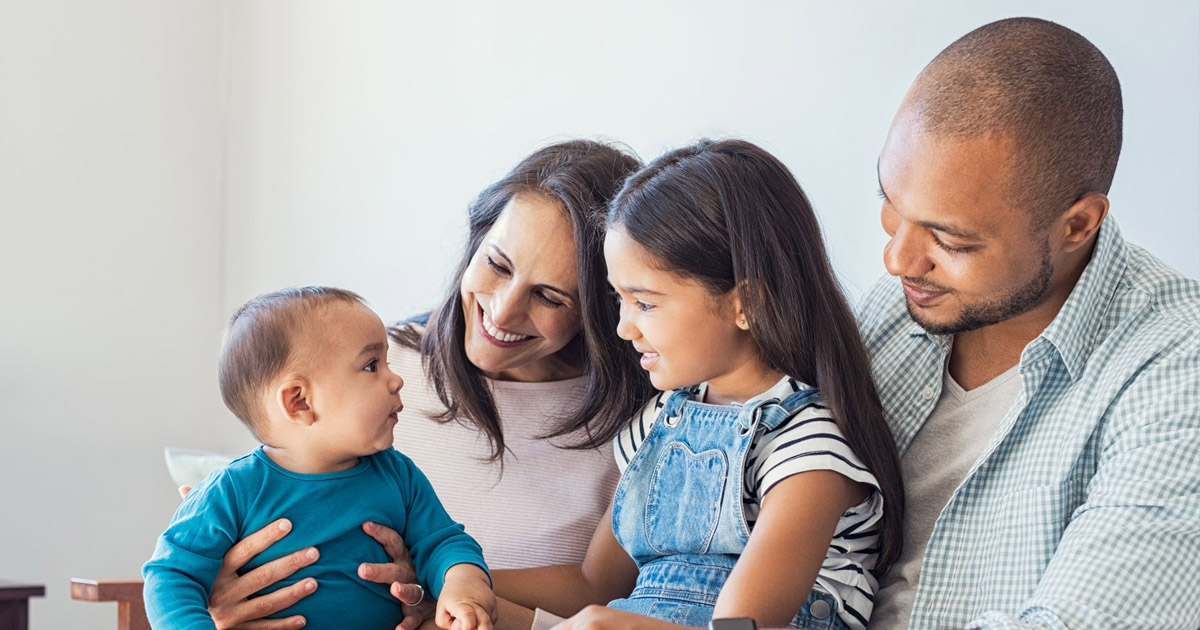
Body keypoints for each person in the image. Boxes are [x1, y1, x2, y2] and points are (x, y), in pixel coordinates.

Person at [192, 141, 655, 630]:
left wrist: (443, 576)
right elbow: (254, 531)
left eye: (550, 297)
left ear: (603, 307)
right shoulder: (364, 368)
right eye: (497, 264)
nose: (501, 312)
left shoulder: (642, 419)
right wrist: (217, 590)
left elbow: (600, 591)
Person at [860, 18, 1200, 630]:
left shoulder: (1178, 363)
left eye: (951, 239)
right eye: (890, 205)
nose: (898, 260)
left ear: (1077, 226)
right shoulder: (897, 306)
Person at [493, 139, 904, 630]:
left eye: (644, 303)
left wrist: (607, 625)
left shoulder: (805, 445)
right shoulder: (659, 423)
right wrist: (460, 579)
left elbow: (743, 625)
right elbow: (594, 586)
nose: (624, 327)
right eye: (617, 297)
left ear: (746, 304)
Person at [143, 287, 495, 630]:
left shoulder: (399, 475)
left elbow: (444, 543)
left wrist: (463, 587)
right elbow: (170, 575)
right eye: (373, 365)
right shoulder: (232, 491)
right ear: (299, 402)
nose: (396, 380)